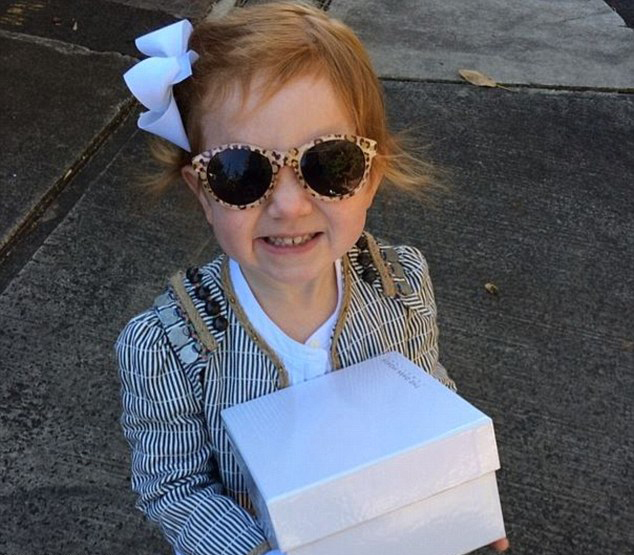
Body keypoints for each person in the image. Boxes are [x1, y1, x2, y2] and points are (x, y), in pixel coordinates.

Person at [115, 2, 510, 555]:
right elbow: (175, 488)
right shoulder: (166, 347)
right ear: (203, 192)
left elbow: (425, 395)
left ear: (371, 178)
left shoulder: (400, 286)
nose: (289, 206)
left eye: (329, 164)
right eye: (241, 172)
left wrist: (458, 490)